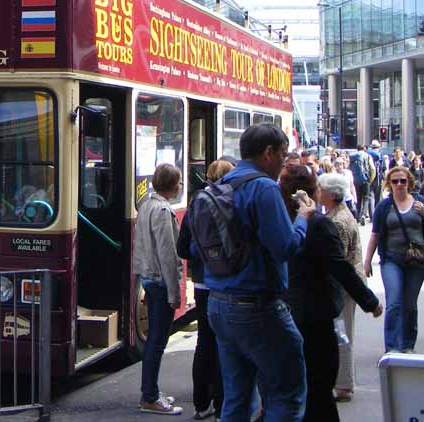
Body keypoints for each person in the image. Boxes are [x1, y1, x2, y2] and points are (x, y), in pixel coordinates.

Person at [205, 123, 313, 421]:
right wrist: (303, 218)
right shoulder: (264, 188)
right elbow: (286, 247)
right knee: (286, 396)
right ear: (268, 153)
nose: (284, 161)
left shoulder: (221, 184)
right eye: (282, 154)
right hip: (257, 307)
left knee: (236, 399)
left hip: (219, 302)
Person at [280, 166, 382, 421]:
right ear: (311, 192)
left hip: (282, 310)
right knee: (319, 382)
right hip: (315, 313)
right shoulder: (318, 224)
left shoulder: (277, 219)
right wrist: (369, 302)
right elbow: (340, 266)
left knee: (292, 384)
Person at [177, 159, 233, 420]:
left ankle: (201, 404)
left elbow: (181, 248)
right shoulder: (233, 203)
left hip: (201, 284)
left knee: (204, 342)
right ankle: (223, 406)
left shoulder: (196, 205)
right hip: (226, 285)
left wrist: (201, 255)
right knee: (226, 346)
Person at [133, 163, 184, 415]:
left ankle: (151, 391)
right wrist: (175, 293)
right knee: (157, 341)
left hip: (148, 277)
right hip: (160, 281)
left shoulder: (146, 205)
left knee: (154, 339)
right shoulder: (163, 211)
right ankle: (150, 397)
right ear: (173, 185)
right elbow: (167, 254)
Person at [319, 172, 368, 402]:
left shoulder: (337, 221)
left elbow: (337, 260)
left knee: (342, 335)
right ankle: (343, 382)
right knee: (343, 334)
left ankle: (344, 384)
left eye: (321, 189)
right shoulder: (339, 214)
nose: (318, 193)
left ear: (330, 194)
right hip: (346, 285)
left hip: (343, 288)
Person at [364, 167, 424, 352]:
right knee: (395, 302)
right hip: (392, 259)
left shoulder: (419, 203)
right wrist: (367, 261)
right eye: (395, 181)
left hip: (417, 261)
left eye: (403, 181)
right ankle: (392, 346)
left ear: (409, 183)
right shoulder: (384, 206)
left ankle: (407, 345)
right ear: (389, 184)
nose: (399, 185)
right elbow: (374, 235)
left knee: (410, 304)